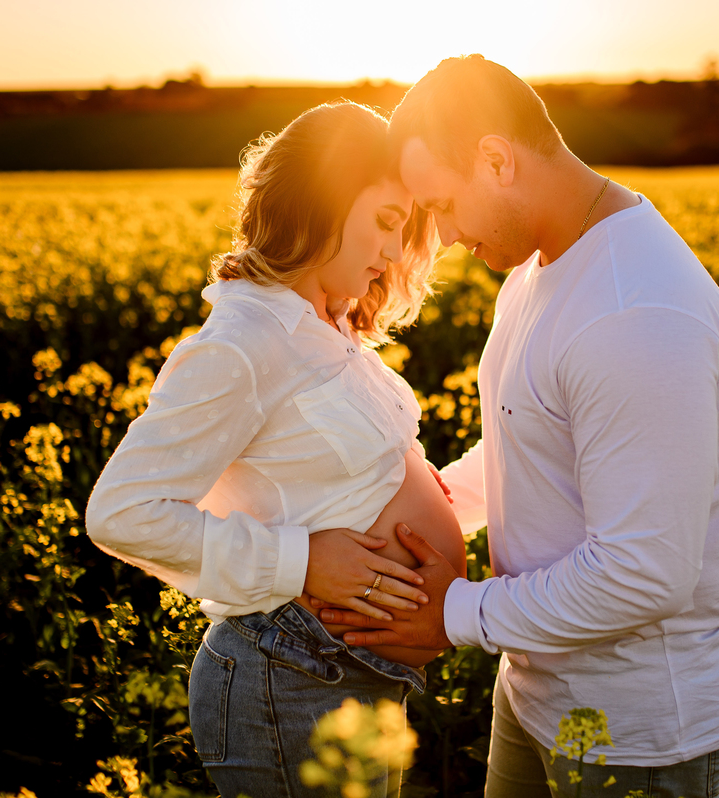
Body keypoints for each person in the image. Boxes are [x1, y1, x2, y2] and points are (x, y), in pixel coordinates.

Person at [316, 56, 719, 798]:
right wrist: (419, 508)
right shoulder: (538, 268)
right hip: (540, 682)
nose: (438, 236)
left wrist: (453, 613)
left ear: (496, 160)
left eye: (439, 206)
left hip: (644, 726)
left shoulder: (636, 312)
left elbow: (643, 573)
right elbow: (524, 441)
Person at [84, 100, 467, 798]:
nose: (391, 251)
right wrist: (305, 562)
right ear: (322, 201)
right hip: (286, 679)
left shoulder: (326, 328)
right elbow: (121, 513)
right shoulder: (242, 343)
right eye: (385, 221)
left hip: (347, 676)